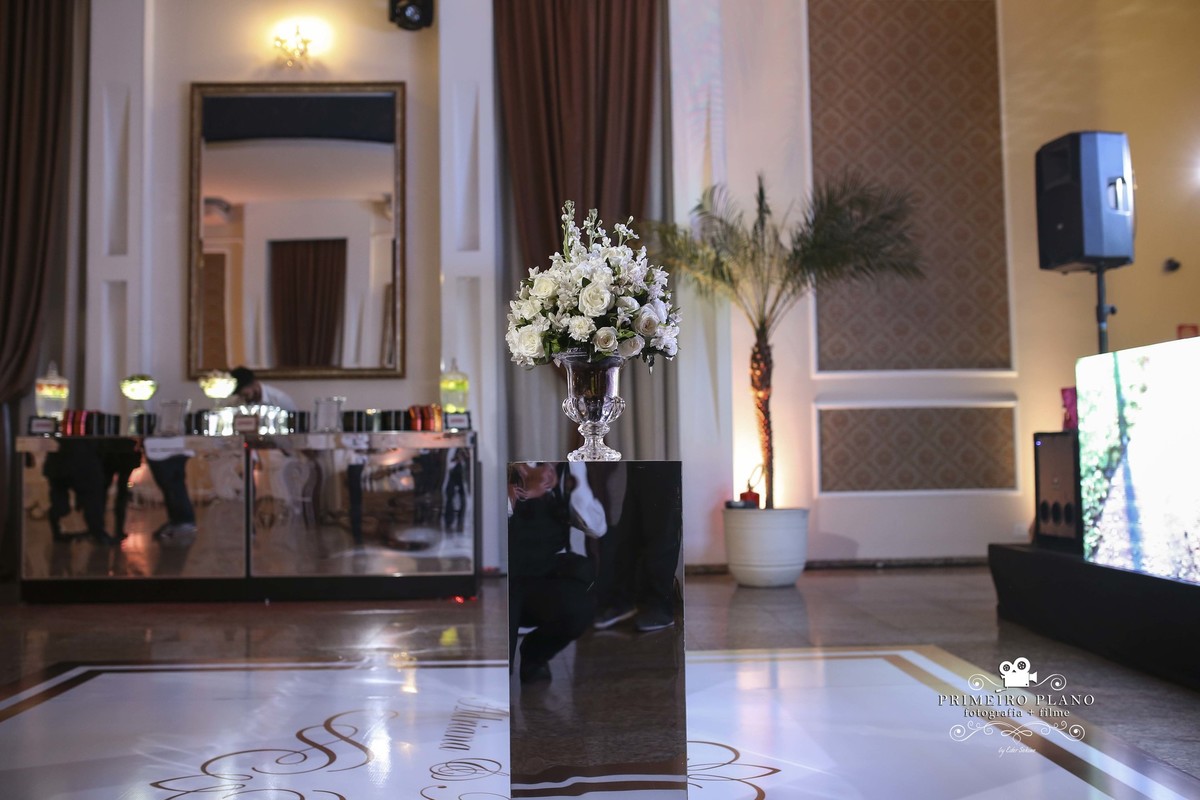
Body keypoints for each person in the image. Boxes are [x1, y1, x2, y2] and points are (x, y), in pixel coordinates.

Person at [229, 366, 297, 410]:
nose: (242, 398)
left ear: (254, 383)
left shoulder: (279, 399)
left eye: (245, 395)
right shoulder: (236, 402)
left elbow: (294, 424)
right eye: (239, 394)